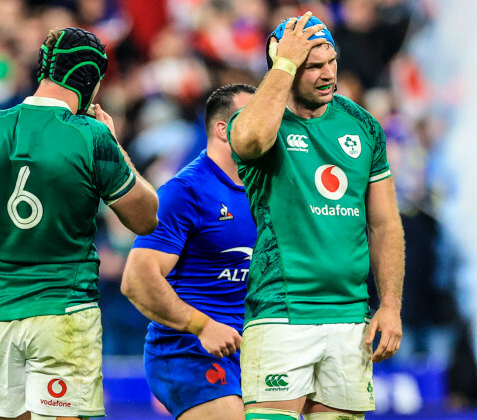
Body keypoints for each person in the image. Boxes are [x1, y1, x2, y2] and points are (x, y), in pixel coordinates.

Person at [0, 27, 158, 420]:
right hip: (64, 316)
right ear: (90, 81)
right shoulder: (92, 137)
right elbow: (145, 218)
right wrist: (115, 143)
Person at [227, 12, 405, 420]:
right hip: (281, 313)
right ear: (285, 69)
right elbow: (250, 141)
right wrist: (285, 64)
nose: (328, 74)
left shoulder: (363, 125)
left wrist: (391, 305)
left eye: (331, 62)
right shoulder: (257, 122)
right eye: (312, 66)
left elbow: (384, 223)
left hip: (350, 318)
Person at [121, 84, 257, 420]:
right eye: (252, 117)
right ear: (223, 130)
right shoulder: (185, 192)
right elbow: (136, 279)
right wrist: (202, 326)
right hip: (190, 351)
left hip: (254, 349)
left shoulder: (266, 187)